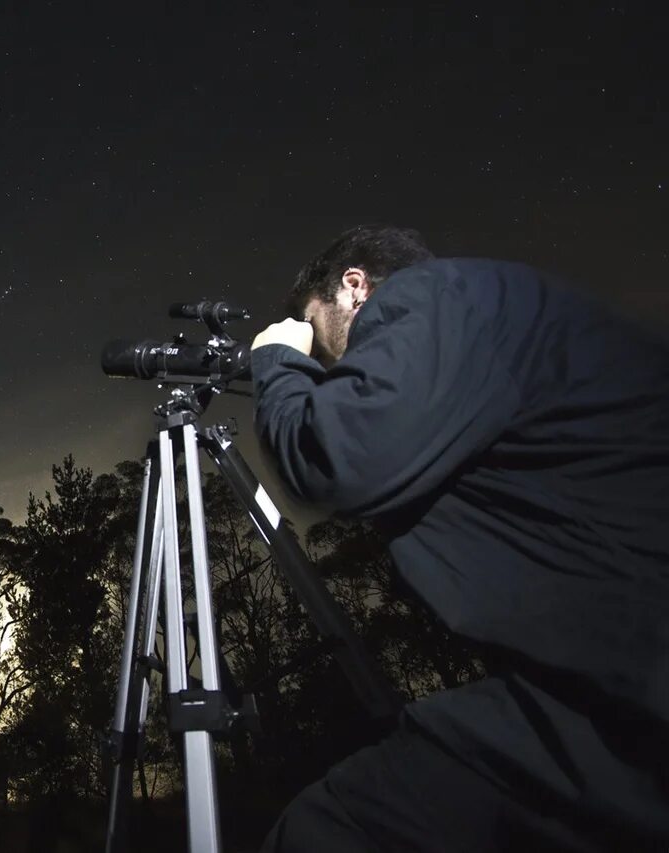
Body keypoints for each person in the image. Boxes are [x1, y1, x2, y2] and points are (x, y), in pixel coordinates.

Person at [247, 225, 669, 851]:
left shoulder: (426, 299)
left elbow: (339, 455)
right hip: (618, 676)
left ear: (354, 287)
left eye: (314, 326)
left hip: (627, 689)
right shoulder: (491, 306)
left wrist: (278, 361)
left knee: (332, 831)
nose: (325, 360)